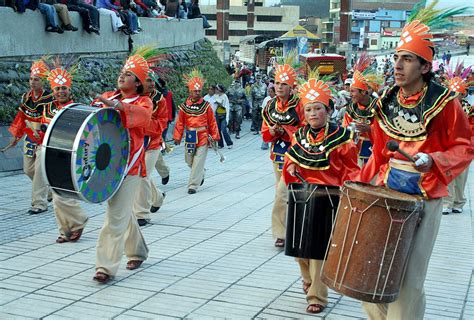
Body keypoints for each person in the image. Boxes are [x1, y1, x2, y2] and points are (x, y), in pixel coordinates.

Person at [359, 18, 473, 319]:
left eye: (407, 59)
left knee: (409, 280)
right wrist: (359, 183)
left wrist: (434, 159)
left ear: (424, 67)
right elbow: (380, 152)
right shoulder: (386, 100)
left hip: (425, 195)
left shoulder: (445, 103)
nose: (397, 65)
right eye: (396, 58)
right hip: (387, 191)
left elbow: (465, 145)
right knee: (369, 270)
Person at [283, 77, 359, 314]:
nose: (313, 113)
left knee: (317, 251)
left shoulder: (342, 137)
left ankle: (317, 295)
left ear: (328, 110)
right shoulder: (299, 136)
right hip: (302, 195)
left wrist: (349, 194)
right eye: (308, 109)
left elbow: (351, 169)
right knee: (298, 247)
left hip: (329, 198)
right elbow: (290, 159)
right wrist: (291, 166)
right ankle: (307, 278)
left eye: (318, 108)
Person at [91, 50, 155, 284]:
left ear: (138, 83)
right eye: (121, 73)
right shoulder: (107, 95)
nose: (122, 77)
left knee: (114, 216)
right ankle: (138, 250)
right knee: (122, 212)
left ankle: (105, 266)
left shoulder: (143, 102)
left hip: (130, 168)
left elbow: (144, 119)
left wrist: (116, 105)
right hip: (108, 166)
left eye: (128, 74)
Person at [42, 60, 89, 243]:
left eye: (64, 88)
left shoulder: (77, 110)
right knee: (57, 194)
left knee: (60, 193)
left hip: (69, 157)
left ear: (69, 90)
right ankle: (66, 230)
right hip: (51, 155)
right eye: (57, 89)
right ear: (52, 92)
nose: (61, 91)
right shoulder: (48, 109)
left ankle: (76, 223)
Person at [261, 60, 304, 247]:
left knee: (282, 193)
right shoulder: (271, 106)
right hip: (277, 156)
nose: (279, 87)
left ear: (292, 86)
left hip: (295, 157)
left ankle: (281, 233)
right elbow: (264, 133)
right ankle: (289, 229)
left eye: (284, 84)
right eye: (277, 83)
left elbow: (306, 130)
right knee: (283, 193)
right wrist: (272, 132)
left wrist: (285, 132)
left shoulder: (301, 105)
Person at [8, 60, 53, 214]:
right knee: (28, 170)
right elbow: (21, 117)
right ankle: (49, 191)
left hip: (45, 138)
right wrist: (16, 136)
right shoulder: (26, 97)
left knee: (40, 170)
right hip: (30, 136)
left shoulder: (50, 98)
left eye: (37, 79)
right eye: (31, 79)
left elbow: (50, 118)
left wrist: (41, 128)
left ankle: (39, 203)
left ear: (43, 81)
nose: (33, 82)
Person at [173, 69, 220, 194]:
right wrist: (177, 136)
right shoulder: (184, 106)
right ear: (190, 91)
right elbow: (180, 122)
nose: (197, 93)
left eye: (199, 91)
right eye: (195, 91)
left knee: (198, 159)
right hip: (190, 135)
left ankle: (193, 185)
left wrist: (215, 136)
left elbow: (212, 122)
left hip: (203, 136)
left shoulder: (206, 106)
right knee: (189, 160)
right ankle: (200, 172)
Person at [132, 70, 168, 227]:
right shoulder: (131, 98)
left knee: (141, 175)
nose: (152, 83)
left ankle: (142, 213)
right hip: (134, 143)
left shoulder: (160, 100)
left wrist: (142, 125)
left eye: (152, 80)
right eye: (147, 80)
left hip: (152, 144)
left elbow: (162, 123)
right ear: (139, 82)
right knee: (140, 176)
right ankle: (157, 196)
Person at [442, 66, 473, 214]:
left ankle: (458, 202)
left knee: (461, 178)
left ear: (463, 94)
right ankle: (447, 202)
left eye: (457, 94)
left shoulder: (469, 110)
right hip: (447, 147)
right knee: (448, 175)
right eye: (451, 93)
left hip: (464, 148)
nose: (454, 96)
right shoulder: (442, 109)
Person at [343, 66, 380, 167]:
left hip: (375, 149)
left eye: (353, 91)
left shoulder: (379, 106)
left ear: (363, 92)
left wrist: (370, 129)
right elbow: (345, 129)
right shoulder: (350, 109)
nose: (350, 95)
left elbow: (388, 129)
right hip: (355, 150)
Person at [214, 84, 233, 149]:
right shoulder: (215, 96)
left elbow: (225, 106)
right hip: (217, 115)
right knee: (218, 130)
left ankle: (229, 143)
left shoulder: (224, 96)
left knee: (223, 129)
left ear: (220, 90)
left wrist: (218, 102)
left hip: (224, 115)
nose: (215, 90)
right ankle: (220, 144)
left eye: (217, 89)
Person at [259, 86, 275, 150]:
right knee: (266, 131)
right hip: (267, 118)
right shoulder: (266, 99)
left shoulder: (277, 99)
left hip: (274, 118)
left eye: (271, 92)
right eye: (269, 92)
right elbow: (263, 109)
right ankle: (265, 143)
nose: (270, 93)